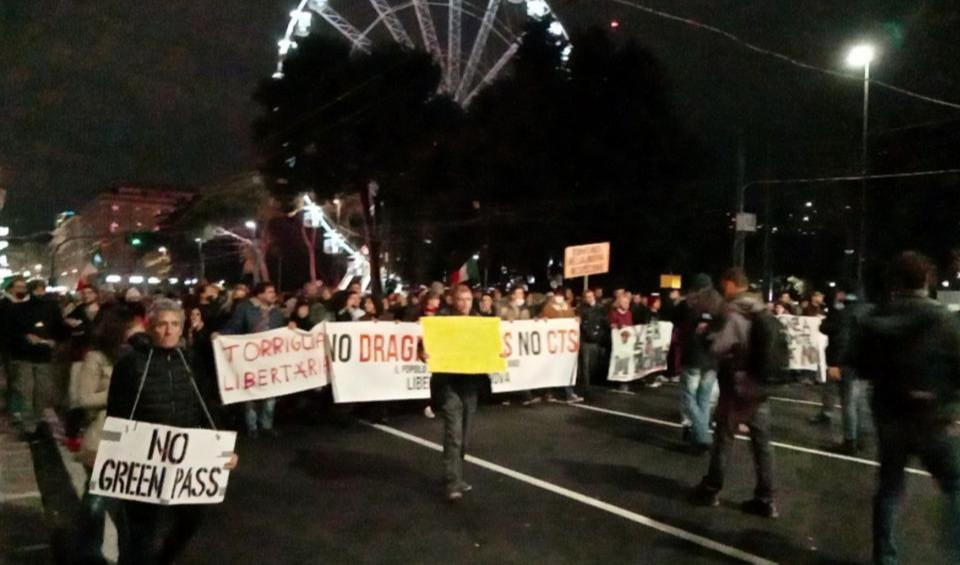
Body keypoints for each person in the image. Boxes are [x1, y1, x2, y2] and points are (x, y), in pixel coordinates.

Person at [107, 299, 238, 565]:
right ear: (150, 327)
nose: (169, 331)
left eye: (175, 324)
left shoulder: (191, 361)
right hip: (144, 457)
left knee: (192, 519)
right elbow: (117, 412)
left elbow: (207, 406)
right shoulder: (130, 364)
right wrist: (114, 451)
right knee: (141, 532)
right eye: (162, 324)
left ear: (182, 328)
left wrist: (224, 449)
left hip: (186, 457)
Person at [854, 252, 960, 564]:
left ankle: (885, 557)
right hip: (933, 415)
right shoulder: (944, 319)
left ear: (895, 282)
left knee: (889, 489)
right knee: (954, 485)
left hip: (889, 416)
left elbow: (861, 366)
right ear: (927, 281)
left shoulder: (874, 320)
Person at [692, 268, 778, 518]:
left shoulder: (734, 311)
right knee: (762, 444)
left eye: (723, 286)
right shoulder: (760, 308)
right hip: (759, 385)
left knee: (723, 438)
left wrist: (706, 335)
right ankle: (767, 498)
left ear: (730, 284)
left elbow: (721, 345)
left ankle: (711, 488)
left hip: (737, 384)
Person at [72, 306, 144, 564]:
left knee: (130, 504)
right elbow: (84, 398)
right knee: (96, 500)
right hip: (102, 436)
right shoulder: (96, 358)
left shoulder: (141, 355)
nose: (140, 330)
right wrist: (119, 388)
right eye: (134, 325)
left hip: (135, 438)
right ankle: (87, 552)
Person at [426, 285, 496, 501]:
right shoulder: (441, 322)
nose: (465, 303)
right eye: (461, 299)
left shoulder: (480, 321)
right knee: (453, 435)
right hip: (448, 386)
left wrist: (499, 352)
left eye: (468, 299)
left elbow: (491, 347)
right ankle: (452, 481)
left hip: (471, 386)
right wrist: (424, 353)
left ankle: (456, 475)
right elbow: (426, 347)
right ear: (453, 301)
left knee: (464, 438)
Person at [218, 282, 287, 438]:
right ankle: (252, 426)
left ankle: (267, 425)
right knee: (251, 394)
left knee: (270, 395)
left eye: (273, 291)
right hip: (249, 359)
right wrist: (221, 334)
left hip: (270, 359)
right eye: (270, 292)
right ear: (259, 294)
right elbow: (234, 326)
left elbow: (281, 332)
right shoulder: (245, 309)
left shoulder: (276, 312)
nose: (273, 294)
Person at [8, 279, 70, 437]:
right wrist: (25, 336)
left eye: (42, 290)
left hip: (43, 355)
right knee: (26, 391)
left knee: (41, 392)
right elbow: (11, 329)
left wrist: (54, 340)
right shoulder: (18, 308)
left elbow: (59, 328)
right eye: (37, 290)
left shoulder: (51, 308)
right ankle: (30, 426)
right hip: (24, 356)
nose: (40, 293)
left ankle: (36, 421)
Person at [675, 274, 723, 453]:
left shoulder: (691, 303)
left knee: (689, 397)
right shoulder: (720, 304)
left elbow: (676, 318)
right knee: (704, 399)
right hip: (712, 358)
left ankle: (702, 435)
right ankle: (699, 436)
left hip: (694, 357)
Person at [820, 291, 872, 454]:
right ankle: (861, 438)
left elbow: (839, 337)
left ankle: (850, 441)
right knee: (860, 402)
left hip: (848, 362)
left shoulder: (845, 313)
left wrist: (834, 363)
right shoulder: (869, 311)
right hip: (865, 362)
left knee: (849, 402)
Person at [497, 287, 539, 406]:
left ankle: (526, 396)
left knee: (521, 369)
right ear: (512, 296)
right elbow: (498, 321)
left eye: (522, 293)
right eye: (519, 293)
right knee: (510, 369)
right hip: (509, 344)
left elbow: (527, 324)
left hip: (521, 345)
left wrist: (534, 321)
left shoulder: (526, 308)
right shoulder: (504, 308)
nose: (522, 295)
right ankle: (509, 396)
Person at [540, 291, 583, 403]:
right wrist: (543, 320)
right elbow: (543, 318)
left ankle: (568, 393)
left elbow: (572, 318)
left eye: (561, 295)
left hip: (565, 344)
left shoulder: (567, 306)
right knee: (552, 367)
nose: (559, 297)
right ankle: (549, 392)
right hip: (553, 343)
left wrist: (576, 319)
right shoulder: (549, 307)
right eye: (557, 295)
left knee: (565, 367)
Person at [576, 289, 609, 397]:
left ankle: (589, 382)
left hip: (596, 340)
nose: (589, 298)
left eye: (591, 296)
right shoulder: (581, 309)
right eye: (587, 297)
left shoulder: (601, 308)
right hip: (585, 340)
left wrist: (600, 335)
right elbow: (580, 323)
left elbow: (605, 322)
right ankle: (586, 387)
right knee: (585, 364)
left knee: (592, 364)